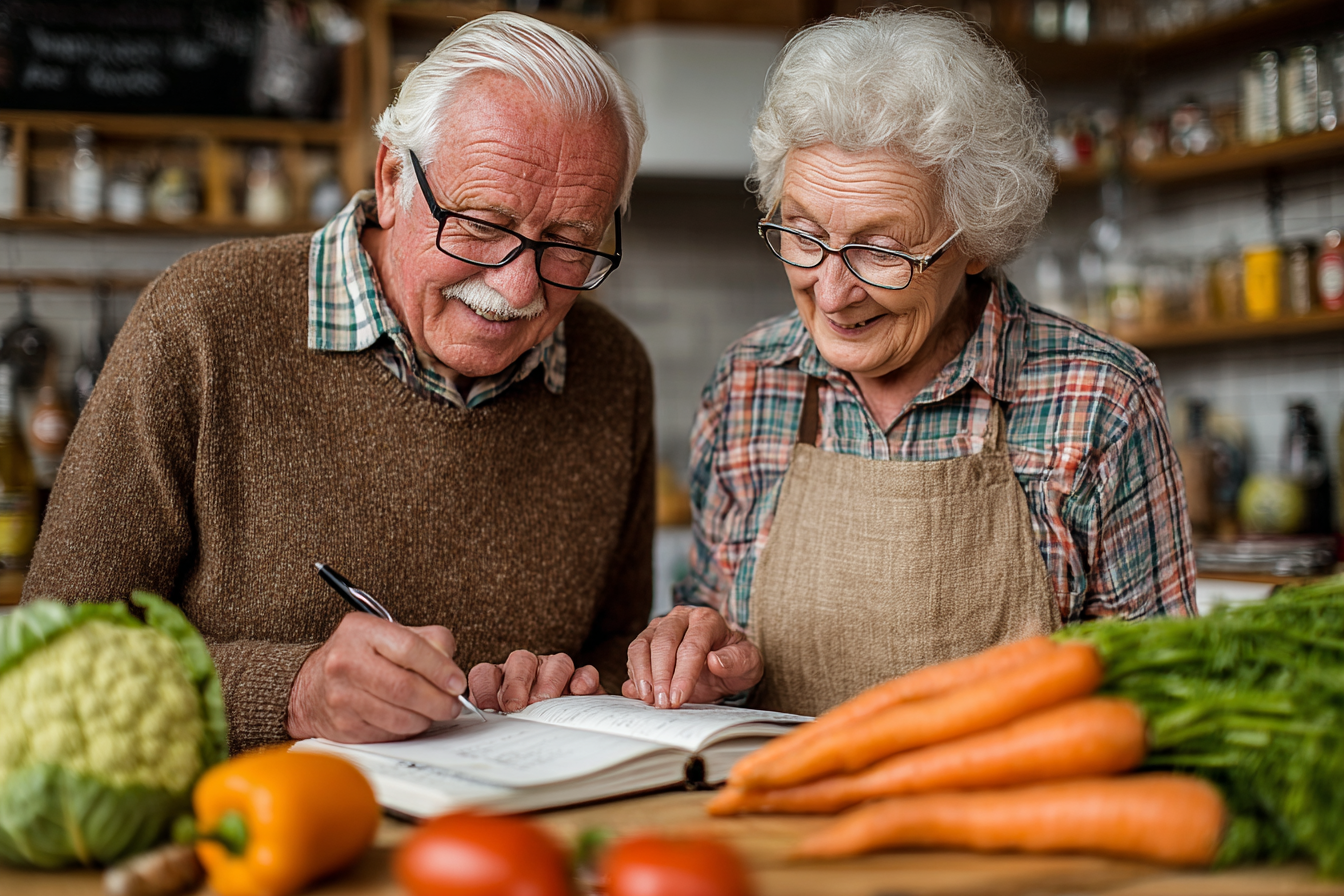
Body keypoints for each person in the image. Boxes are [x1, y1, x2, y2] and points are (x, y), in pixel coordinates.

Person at [24, 13, 654, 753]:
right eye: (482, 223)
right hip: (249, 841)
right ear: (393, 180)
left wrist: (583, 683)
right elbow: (53, 658)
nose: (517, 287)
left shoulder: (613, 371)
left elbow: (616, 641)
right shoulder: (204, 320)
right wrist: (292, 696)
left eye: (569, 244)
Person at [623, 9, 1196, 717]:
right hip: (782, 815)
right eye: (802, 234)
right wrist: (706, 660)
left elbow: (1160, 701)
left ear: (977, 239)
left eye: (882, 250)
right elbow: (715, 649)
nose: (831, 292)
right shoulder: (747, 384)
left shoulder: (1099, 397)